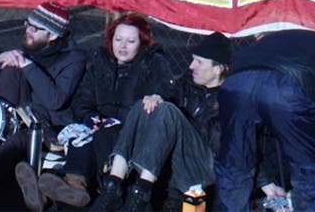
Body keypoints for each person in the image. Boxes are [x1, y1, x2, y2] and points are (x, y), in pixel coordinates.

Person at [214, 29, 315, 211]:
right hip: (286, 88)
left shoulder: (302, 43)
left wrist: (264, 180)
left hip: (235, 83)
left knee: (234, 167)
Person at [0, 2, 86, 209]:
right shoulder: (32, 49)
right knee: (10, 69)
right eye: (28, 24)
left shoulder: (74, 60)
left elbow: (55, 101)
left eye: (35, 29)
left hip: (51, 126)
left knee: (20, 139)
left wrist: (28, 66)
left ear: (53, 36)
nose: (28, 31)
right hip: (22, 116)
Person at [37, 12, 175, 208]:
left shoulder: (152, 63)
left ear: (141, 43)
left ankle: (56, 190)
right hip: (99, 125)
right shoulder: (100, 62)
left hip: (130, 132)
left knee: (99, 138)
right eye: (118, 39)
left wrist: (157, 98)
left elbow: (165, 93)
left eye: (130, 41)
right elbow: (82, 99)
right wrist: (89, 116)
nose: (123, 46)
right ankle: (69, 188)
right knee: (81, 136)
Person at [91, 32, 233, 211]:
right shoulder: (186, 84)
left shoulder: (231, 98)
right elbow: (163, 114)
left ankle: (141, 192)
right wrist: (156, 98)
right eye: (192, 59)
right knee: (144, 104)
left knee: (166, 109)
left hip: (204, 168)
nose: (190, 66)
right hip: (177, 160)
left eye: (199, 62)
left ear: (218, 69)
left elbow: (229, 146)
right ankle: (113, 185)